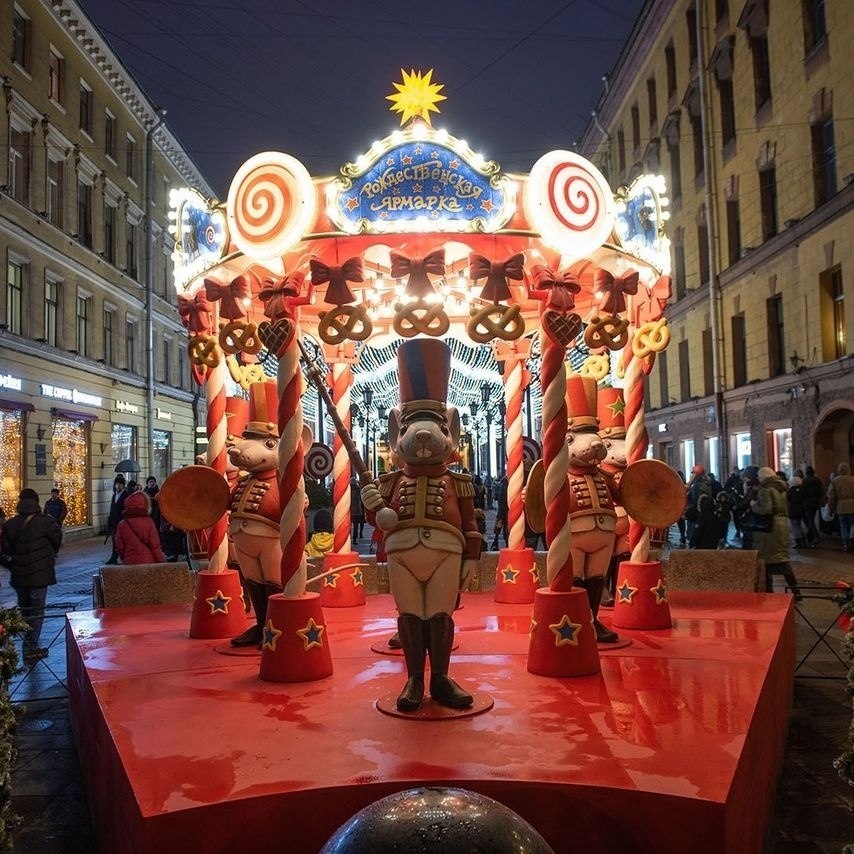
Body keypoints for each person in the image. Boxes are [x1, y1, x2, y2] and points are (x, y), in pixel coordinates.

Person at [1, 489, 62, 662]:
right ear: (36, 502)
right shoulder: (46, 522)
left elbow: (4, 550)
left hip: (20, 577)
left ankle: (27, 645)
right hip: (40, 576)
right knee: (36, 611)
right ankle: (31, 646)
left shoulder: (10, 524)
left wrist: (13, 565)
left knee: (25, 610)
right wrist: (48, 556)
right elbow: (57, 540)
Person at [751, 467, 802, 599]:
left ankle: (768, 592)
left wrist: (754, 505)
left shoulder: (766, 490)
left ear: (763, 477)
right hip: (782, 525)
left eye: (759, 477)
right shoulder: (782, 489)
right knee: (782, 558)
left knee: (766, 560)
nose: (758, 479)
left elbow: (766, 509)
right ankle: (796, 590)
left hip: (770, 529)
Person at [114, 491, 166, 564]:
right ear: (145, 505)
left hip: (129, 563)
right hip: (148, 562)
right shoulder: (149, 522)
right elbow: (155, 546)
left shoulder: (122, 524)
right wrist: (161, 561)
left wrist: (125, 557)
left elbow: (119, 546)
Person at [827, 462, 854, 551]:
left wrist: (831, 508)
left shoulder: (835, 481)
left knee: (843, 525)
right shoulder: (852, 479)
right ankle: (852, 537)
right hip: (852, 505)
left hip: (841, 506)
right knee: (853, 524)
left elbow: (831, 496)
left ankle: (845, 544)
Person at [105, 475, 128, 564]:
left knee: (123, 540)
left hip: (122, 522)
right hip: (114, 522)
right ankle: (114, 557)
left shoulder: (126, 495)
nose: (118, 486)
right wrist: (110, 521)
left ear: (123, 485)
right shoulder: (114, 495)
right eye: (117, 484)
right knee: (115, 540)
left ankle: (124, 556)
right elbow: (112, 509)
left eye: (120, 484)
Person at [801, 466, 823, 548]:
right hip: (815, 503)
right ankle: (810, 537)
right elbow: (821, 492)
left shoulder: (805, 481)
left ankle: (815, 536)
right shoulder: (817, 480)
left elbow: (802, 493)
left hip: (807, 503)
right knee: (811, 520)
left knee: (809, 521)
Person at [786, 476, 808, 548]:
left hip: (793, 510)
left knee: (795, 527)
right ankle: (804, 541)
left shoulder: (790, 491)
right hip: (801, 509)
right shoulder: (803, 490)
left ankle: (798, 542)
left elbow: (788, 499)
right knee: (800, 526)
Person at [349, 476, 364, 542]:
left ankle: (348, 537)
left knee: (348, 526)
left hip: (349, 510)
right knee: (356, 525)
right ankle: (355, 538)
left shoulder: (348, 490)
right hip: (357, 510)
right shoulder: (358, 490)